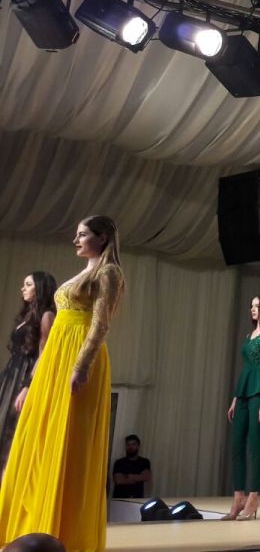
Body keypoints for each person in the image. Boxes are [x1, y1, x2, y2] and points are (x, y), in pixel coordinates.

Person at [0, 215, 125, 551]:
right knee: (39, 434)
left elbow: (100, 325)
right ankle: (30, 523)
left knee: (69, 439)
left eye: (82, 235)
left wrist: (81, 366)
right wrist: (37, 376)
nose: (75, 240)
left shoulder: (109, 273)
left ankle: (62, 530)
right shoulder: (85, 272)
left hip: (78, 356)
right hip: (56, 356)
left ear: (102, 238)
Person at [222, 293, 260, 520]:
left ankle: (254, 496)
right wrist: (235, 399)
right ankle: (238, 497)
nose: (252, 309)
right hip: (242, 393)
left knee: (255, 446)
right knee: (237, 445)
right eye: (251, 306)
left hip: (259, 392)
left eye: (257, 306)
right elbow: (246, 367)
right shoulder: (250, 335)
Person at [0, 272, 57, 471]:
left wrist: (27, 386)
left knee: (10, 435)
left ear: (40, 288)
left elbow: (44, 355)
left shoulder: (47, 316)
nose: (23, 288)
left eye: (28, 284)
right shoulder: (26, 316)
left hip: (24, 377)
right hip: (11, 375)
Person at [112, 434, 152, 498]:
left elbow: (146, 477)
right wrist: (137, 477)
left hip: (137, 498)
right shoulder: (119, 462)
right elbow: (118, 480)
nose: (130, 447)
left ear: (138, 446)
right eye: (128, 445)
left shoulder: (144, 462)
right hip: (119, 498)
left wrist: (127, 476)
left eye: (133, 444)